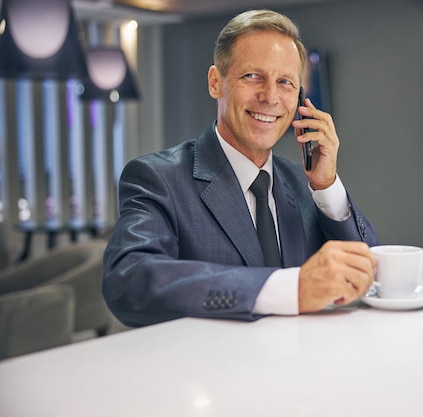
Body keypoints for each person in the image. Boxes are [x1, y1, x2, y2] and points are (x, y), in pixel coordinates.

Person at [102, 9, 379, 326]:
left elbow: (369, 274)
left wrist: (328, 186)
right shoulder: (158, 178)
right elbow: (128, 279)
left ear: (300, 98)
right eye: (252, 77)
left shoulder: (305, 184)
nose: (270, 96)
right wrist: (291, 288)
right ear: (215, 82)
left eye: (286, 82)